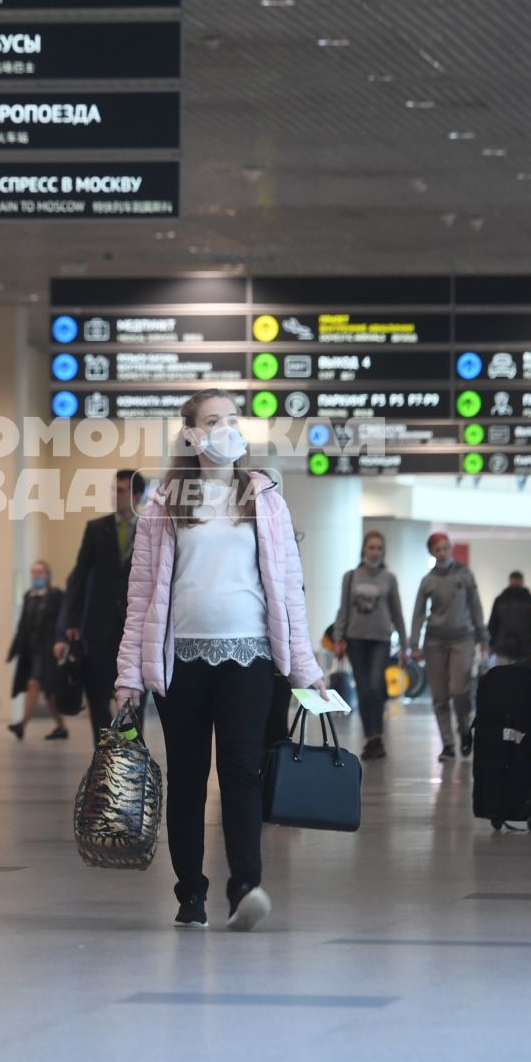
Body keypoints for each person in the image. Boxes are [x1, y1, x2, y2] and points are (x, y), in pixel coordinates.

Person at [118, 389, 326, 931]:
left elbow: (288, 590)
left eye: (233, 419)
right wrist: (127, 677)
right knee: (187, 776)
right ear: (189, 432)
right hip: (180, 659)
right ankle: (190, 892)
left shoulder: (264, 496)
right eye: (214, 420)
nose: (227, 428)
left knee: (241, 771)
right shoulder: (164, 502)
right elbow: (140, 596)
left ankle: (244, 888)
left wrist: (306, 668)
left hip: (250, 655)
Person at [57, 468, 143, 734]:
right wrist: (71, 620)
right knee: (97, 696)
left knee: (133, 699)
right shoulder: (96, 529)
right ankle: (104, 752)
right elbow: (79, 577)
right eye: (113, 490)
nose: (114, 495)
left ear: (137, 495)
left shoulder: (150, 527)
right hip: (98, 627)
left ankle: (129, 750)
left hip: (135, 627)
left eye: (121, 490)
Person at [408, 531, 486, 761]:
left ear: (450, 548)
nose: (441, 553)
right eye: (436, 549)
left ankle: (464, 730)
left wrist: (483, 638)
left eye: (444, 548)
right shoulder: (428, 581)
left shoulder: (465, 575)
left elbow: (476, 606)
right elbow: (418, 614)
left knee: (459, 691)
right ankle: (448, 744)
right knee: (440, 696)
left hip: (463, 638)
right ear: (431, 553)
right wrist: (414, 644)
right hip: (434, 641)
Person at [332, 531, 405, 762]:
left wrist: (405, 644)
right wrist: (338, 637)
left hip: (381, 640)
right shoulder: (351, 577)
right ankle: (373, 738)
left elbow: (397, 611)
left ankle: (377, 734)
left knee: (375, 685)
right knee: (363, 690)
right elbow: (343, 609)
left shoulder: (389, 578)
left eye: (379, 548)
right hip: (355, 639)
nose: (375, 551)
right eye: (371, 547)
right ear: (364, 549)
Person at [5, 560, 68, 740]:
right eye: (34, 572)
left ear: (47, 575)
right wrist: (14, 648)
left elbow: (63, 620)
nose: (36, 576)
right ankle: (61, 727)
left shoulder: (56, 595)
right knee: (48, 695)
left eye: (40, 572)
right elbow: (23, 624)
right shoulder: (28, 596)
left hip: (49, 651)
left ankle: (22, 724)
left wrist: (61, 642)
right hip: (31, 650)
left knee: (34, 684)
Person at [488, 571, 531, 664]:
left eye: (517, 580)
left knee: (519, 675)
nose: (516, 582)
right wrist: (490, 643)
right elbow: (493, 622)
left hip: (523, 647)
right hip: (506, 646)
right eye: (515, 580)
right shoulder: (500, 599)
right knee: (505, 675)